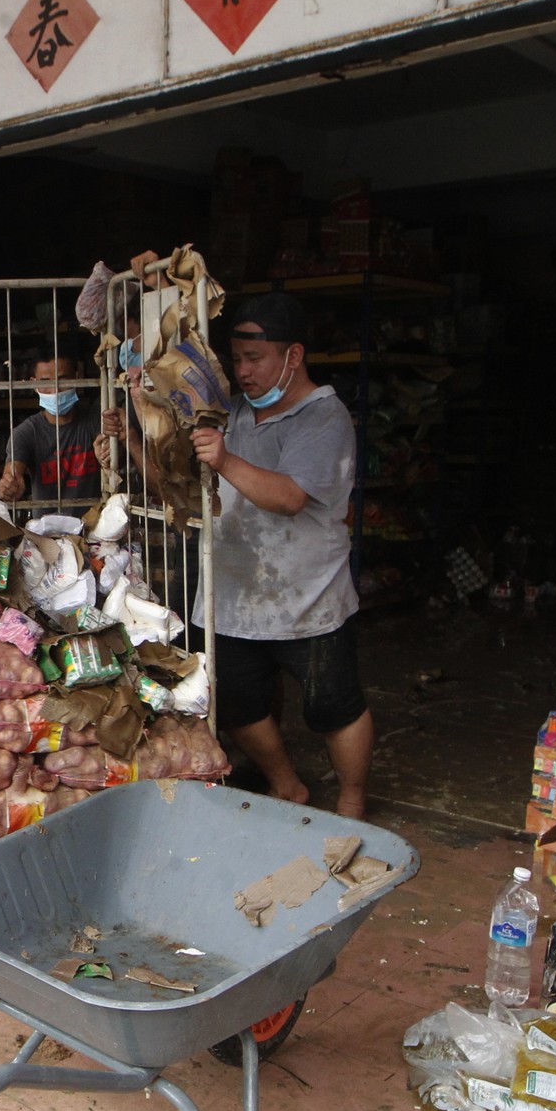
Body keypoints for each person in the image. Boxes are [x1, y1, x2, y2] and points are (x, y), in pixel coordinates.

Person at [189, 292, 374, 819]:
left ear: (293, 356)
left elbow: (290, 497)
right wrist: (132, 436)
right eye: (237, 359)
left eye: (255, 359)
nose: (242, 371)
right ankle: (287, 785)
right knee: (237, 702)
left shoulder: (325, 418)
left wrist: (224, 458)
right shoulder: (237, 412)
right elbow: (185, 483)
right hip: (235, 595)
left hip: (307, 597)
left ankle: (354, 800)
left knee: (335, 708)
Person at [0, 348, 107, 513]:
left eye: (62, 380)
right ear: (34, 384)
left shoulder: (96, 420)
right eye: (46, 382)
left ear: (78, 378)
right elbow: (12, 472)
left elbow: (110, 450)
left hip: (95, 529)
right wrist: (8, 485)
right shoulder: (26, 433)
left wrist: (106, 455)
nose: (55, 390)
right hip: (46, 535)